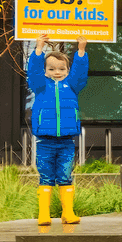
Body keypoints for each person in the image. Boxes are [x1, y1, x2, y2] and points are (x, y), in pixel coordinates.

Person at [25, 35, 88, 227]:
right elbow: (33, 72)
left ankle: (67, 212)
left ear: (68, 70)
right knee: (46, 176)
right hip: (45, 141)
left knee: (65, 175)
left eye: (62, 69)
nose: (57, 72)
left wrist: (81, 50)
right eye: (51, 69)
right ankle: (43, 213)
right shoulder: (41, 86)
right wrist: (38, 49)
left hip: (66, 141)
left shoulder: (72, 86)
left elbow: (80, 72)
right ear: (45, 71)